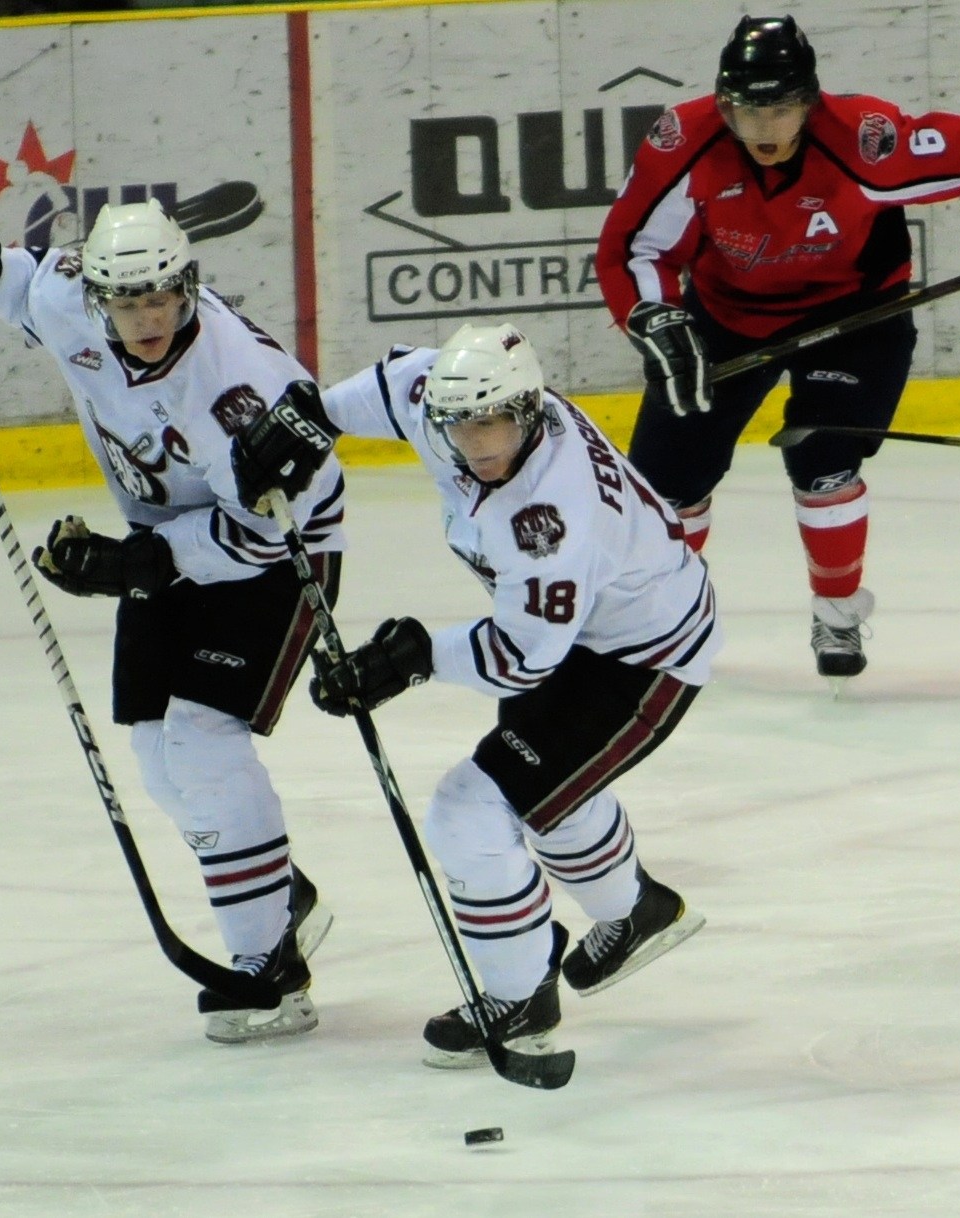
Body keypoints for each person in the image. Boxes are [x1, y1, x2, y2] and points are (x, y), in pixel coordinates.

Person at [0, 200, 343, 1045]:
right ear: (100, 299)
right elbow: (17, 281)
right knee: (160, 758)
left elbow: (269, 526)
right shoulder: (75, 301)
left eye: (163, 297)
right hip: (171, 536)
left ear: (188, 286)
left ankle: (272, 972)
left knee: (202, 742)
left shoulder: (239, 391)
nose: (148, 317)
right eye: (129, 302)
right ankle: (279, 895)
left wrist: (140, 566)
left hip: (279, 552)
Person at [596, 14, 960, 681]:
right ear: (724, 106)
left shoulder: (865, 141)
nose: (763, 129)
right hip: (727, 318)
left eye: (779, 109)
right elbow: (636, 247)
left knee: (823, 461)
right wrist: (655, 317)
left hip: (856, 316)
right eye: (748, 111)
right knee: (665, 487)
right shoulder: (684, 145)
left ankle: (837, 615)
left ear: (808, 102)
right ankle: (661, 619)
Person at [230, 322, 716, 1067]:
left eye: (492, 423)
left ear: (529, 411)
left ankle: (521, 1001)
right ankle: (637, 912)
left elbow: (520, 658)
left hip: (639, 657)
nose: (477, 442)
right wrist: (312, 417)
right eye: (461, 425)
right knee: (549, 789)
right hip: (590, 628)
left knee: (473, 805)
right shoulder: (450, 396)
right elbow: (398, 386)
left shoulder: (549, 520)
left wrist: (408, 660)